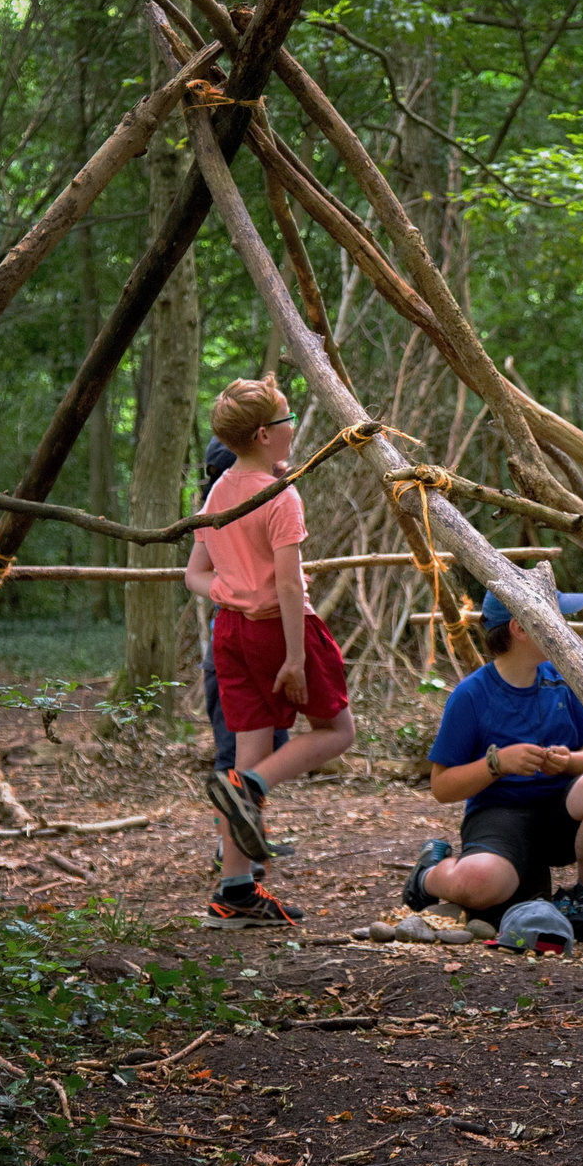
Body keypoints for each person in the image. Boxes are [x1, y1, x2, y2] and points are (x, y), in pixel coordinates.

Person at [185, 374, 356, 928]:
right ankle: (249, 788)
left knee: (248, 749)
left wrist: (232, 594)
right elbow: (287, 586)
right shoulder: (280, 495)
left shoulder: (219, 492)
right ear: (264, 434)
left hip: (229, 633)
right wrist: (295, 658)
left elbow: (195, 574)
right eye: (287, 420)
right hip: (278, 631)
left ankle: (233, 892)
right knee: (337, 732)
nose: (294, 427)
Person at [405, 583, 583, 922]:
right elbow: (442, 787)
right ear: (520, 629)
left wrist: (569, 762)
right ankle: (429, 875)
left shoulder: (564, 680)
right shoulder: (471, 695)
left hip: (560, 814)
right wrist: (496, 764)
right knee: (478, 885)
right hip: (499, 817)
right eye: (554, 619)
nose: (563, 627)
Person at [199, 433, 289, 882]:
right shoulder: (219, 510)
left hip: (263, 645)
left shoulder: (269, 499)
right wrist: (241, 594)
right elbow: (202, 575)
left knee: (271, 747)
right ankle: (232, 849)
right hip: (234, 646)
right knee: (235, 753)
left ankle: (246, 838)